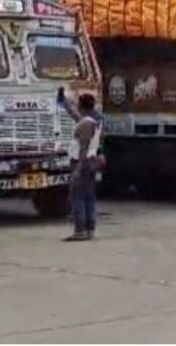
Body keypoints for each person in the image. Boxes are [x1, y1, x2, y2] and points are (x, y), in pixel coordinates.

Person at [59, 89, 102, 241]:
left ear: (82, 106)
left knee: (77, 196)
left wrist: (78, 169)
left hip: (82, 162)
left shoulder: (86, 124)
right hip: (90, 162)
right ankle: (89, 229)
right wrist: (64, 102)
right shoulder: (92, 121)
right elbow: (75, 115)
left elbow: (84, 147)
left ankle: (80, 230)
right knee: (88, 196)